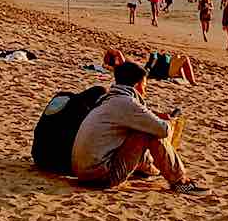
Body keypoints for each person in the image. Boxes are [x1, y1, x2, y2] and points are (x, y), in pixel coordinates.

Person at [70, 62, 208, 194]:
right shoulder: (127, 103)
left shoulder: (107, 99)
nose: (145, 92)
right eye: (145, 86)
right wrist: (169, 123)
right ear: (137, 85)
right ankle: (180, 181)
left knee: (139, 131)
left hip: (83, 173)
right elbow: (163, 130)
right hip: (100, 177)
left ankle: (150, 169)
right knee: (148, 133)